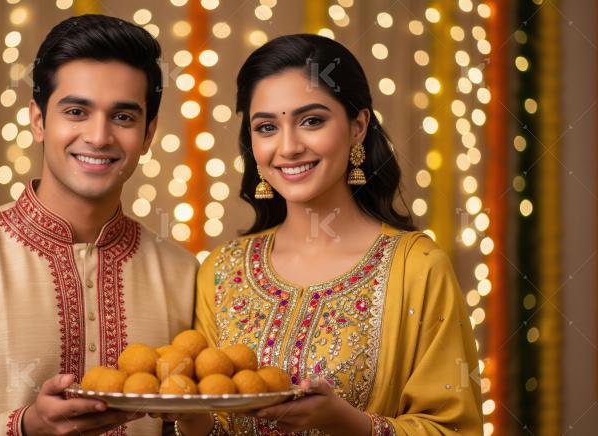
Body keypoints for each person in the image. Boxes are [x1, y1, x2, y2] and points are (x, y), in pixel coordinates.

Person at [0, 15, 198, 436]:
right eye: (76, 111)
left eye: (123, 117)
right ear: (38, 120)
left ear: (148, 133)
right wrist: (25, 427)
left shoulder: (183, 274)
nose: (99, 136)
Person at [174, 34, 483, 435]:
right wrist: (187, 416)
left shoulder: (417, 269)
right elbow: (212, 420)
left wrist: (347, 422)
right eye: (266, 127)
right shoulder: (221, 270)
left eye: (311, 121)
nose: (288, 147)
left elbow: (454, 430)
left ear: (358, 126)